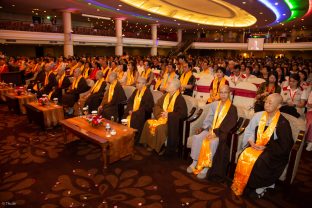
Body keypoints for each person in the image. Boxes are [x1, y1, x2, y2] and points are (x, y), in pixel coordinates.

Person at [231, 93, 293, 197]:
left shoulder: (282, 122)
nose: (267, 104)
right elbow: (249, 131)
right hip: (255, 145)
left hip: (272, 152)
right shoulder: (258, 115)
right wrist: (251, 142)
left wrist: (266, 147)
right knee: (245, 155)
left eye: (270, 103)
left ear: (278, 106)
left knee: (260, 161)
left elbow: (285, 145)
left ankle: (263, 185)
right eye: (266, 101)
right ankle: (246, 182)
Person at [187, 85, 238, 180]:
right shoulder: (215, 104)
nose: (223, 95)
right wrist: (204, 128)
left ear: (229, 94)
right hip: (210, 130)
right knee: (197, 138)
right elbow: (209, 118)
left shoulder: (232, 109)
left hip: (221, 134)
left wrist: (216, 133)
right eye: (221, 92)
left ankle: (206, 167)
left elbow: (229, 125)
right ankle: (195, 161)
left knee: (213, 142)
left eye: (225, 92)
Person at [140, 78, 187, 157]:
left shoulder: (180, 99)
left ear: (175, 87)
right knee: (148, 122)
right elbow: (157, 105)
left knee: (160, 128)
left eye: (169, 83)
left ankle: (160, 147)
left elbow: (182, 114)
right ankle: (151, 144)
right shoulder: (165, 96)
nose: (166, 85)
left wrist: (168, 115)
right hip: (161, 118)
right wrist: (161, 114)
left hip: (171, 122)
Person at [123, 77, 154, 143]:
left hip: (141, 113)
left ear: (143, 84)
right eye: (137, 82)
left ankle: (134, 139)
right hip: (133, 111)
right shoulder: (136, 91)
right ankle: (125, 136)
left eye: (138, 83)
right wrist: (130, 109)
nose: (136, 84)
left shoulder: (147, 93)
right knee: (125, 116)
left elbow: (147, 106)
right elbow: (130, 101)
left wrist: (135, 112)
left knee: (134, 118)